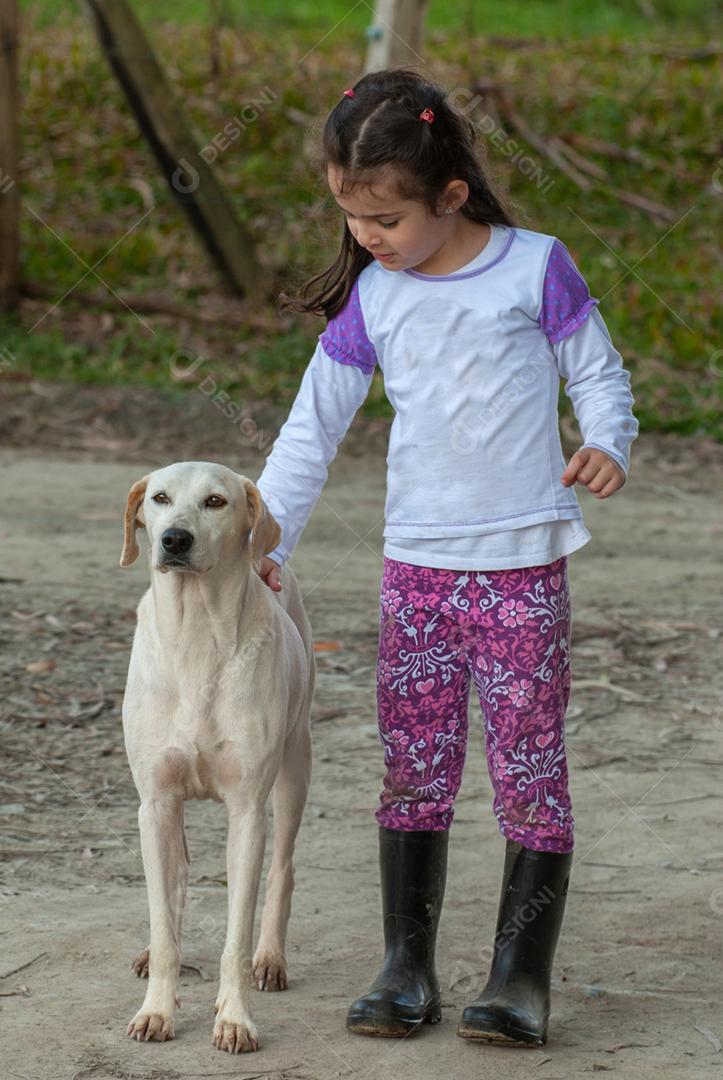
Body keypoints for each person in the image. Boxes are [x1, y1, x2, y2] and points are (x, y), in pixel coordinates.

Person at [253, 68, 639, 1047]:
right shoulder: (376, 297)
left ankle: (518, 980)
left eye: (383, 218)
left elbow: (599, 372)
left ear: (452, 195)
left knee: (528, 769)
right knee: (414, 768)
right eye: (352, 216)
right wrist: (267, 539)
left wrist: (607, 441)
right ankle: (405, 967)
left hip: (520, 571)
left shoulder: (534, 267)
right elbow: (311, 430)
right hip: (416, 573)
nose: (366, 238)